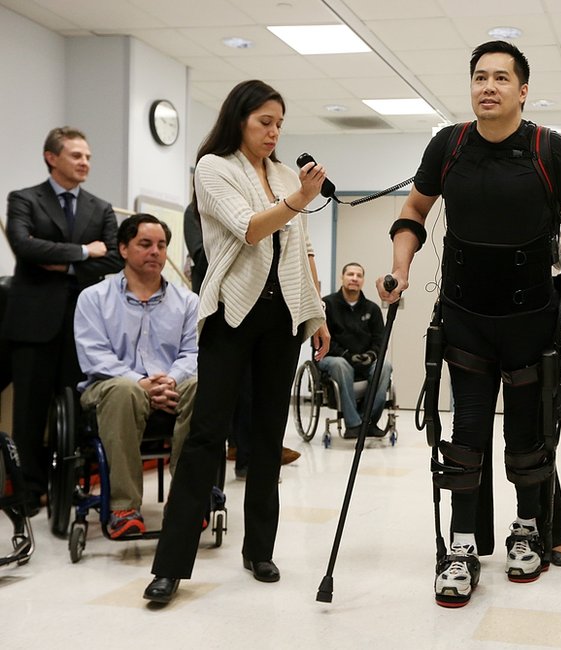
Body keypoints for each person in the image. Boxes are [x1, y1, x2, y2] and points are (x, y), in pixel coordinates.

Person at [377, 41, 561, 608]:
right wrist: (399, 269)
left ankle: (528, 530)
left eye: (501, 78)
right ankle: (460, 546)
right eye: (480, 77)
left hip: (532, 318)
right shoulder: (449, 145)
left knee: (526, 436)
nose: (489, 87)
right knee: (466, 434)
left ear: (522, 90)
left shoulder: (549, 150)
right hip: (465, 314)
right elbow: (414, 211)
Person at [144, 79, 330, 605]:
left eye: (279, 124)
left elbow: (300, 250)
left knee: (268, 438)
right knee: (206, 437)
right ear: (239, 119)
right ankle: (170, 566)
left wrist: (315, 314)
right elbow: (249, 229)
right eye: (263, 122)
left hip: (282, 318)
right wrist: (298, 199)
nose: (273, 132)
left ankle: (259, 550)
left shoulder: (284, 174)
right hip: (231, 315)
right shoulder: (214, 167)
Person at [1, 126, 123, 513]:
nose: (85, 162)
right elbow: (24, 245)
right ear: (52, 158)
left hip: (82, 325)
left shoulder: (100, 207)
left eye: (87, 156)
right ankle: (27, 491)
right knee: (29, 413)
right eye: (76, 155)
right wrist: (85, 252)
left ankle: (67, 486)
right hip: (33, 323)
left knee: (75, 408)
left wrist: (59, 261)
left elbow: (116, 258)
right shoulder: (24, 199)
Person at [74, 214, 198, 539]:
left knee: (202, 386)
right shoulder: (94, 298)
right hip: (108, 387)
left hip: (172, 387)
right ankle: (124, 508)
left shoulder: (188, 302)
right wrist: (138, 382)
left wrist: (170, 380)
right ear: (124, 249)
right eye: (145, 244)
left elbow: (194, 354)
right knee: (124, 390)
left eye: (161, 245)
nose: (155, 251)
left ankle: (185, 502)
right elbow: (94, 355)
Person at [183, 201, 301, 479]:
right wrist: (243, 244)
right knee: (222, 395)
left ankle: (248, 456)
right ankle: (229, 455)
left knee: (253, 388)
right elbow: (203, 254)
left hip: (259, 304)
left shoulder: (258, 205)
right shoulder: (196, 210)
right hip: (220, 305)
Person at [318, 262, 392, 440]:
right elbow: (322, 340)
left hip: (365, 361)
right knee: (341, 365)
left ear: (363, 280)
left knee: (384, 366)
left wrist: (371, 355)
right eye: (350, 274)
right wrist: (347, 355)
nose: (354, 278)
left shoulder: (372, 309)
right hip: (334, 358)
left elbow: (380, 340)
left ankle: (368, 423)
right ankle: (353, 425)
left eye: (359, 275)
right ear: (342, 278)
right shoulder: (327, 305)